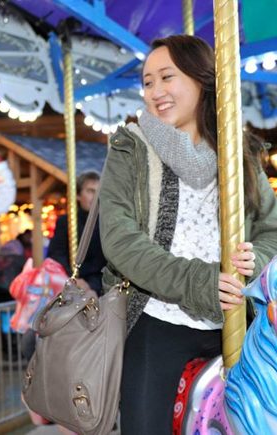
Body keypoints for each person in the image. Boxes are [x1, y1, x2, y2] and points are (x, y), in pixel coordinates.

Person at [99, 34, 277, 434]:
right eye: (147, 82)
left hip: (233, 318)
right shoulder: (132, 149)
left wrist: (257, 260)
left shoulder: (238, 151)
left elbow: (271, 226)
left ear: (201, 80)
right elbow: (119, 238)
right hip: (156, 320)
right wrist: (199, 281)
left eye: (167, 77)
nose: (155, 91)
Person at [47, 171, 106, 295]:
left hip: (99, 286)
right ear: (78, 195)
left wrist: (92, 284)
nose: (95, 196)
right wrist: (73, 278)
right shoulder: (66, 222)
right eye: (90, 191)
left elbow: (107, 261)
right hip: (70, 284)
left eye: (98, 192)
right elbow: (56, 255)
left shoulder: (106, 223)